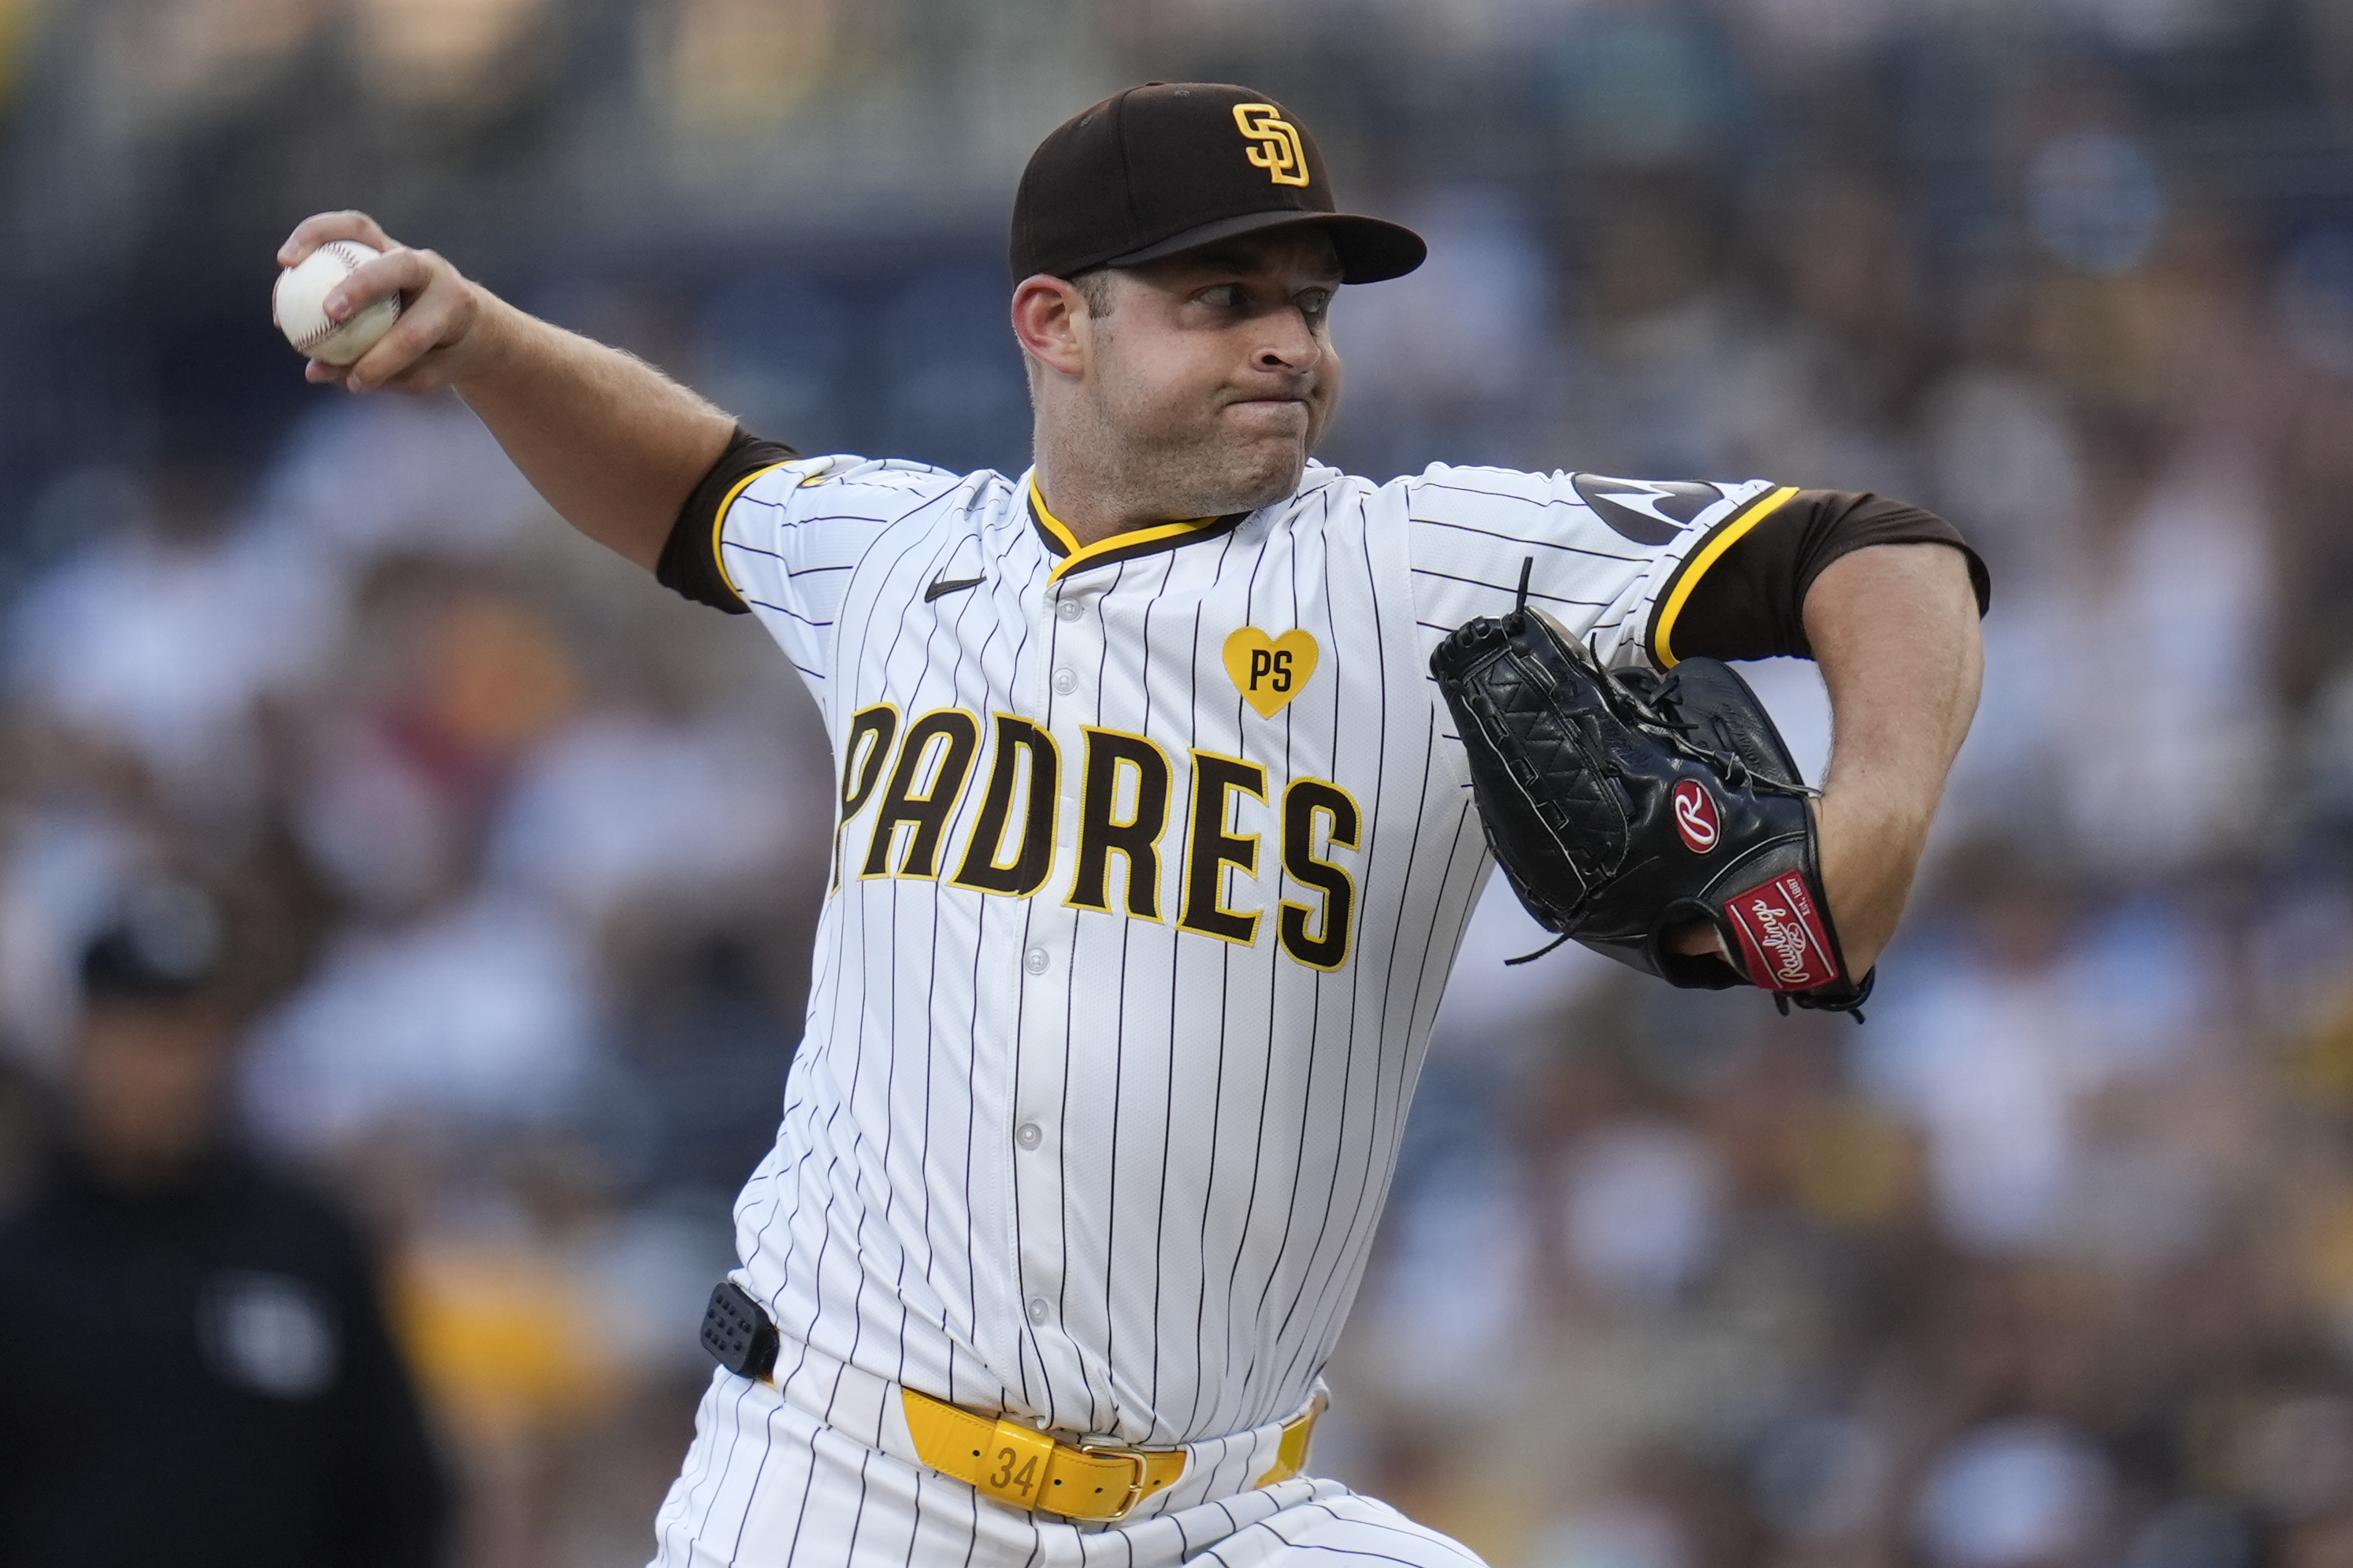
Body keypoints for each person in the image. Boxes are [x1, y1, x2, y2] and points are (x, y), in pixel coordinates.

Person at [276, 82, 1984, 1567]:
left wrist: (1869, 815)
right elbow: (698, 489)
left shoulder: (1417, 561)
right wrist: (487, 342)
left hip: (1221, 1508)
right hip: (834, 1474)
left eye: (1307, 305)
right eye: (1220, 294)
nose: (1286, 343)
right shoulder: (891, 554)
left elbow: (1878, 549)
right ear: (1053, 322)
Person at [0, 881, 450, 1568]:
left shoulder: (308, 1243)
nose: (167, 1070)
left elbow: (397, 1488)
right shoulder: (22, 1264)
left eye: (189, 1035)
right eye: (142, 1036)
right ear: (84, 1043)